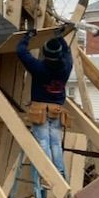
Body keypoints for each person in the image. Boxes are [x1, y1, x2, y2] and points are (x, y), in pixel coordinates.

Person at [16, 27, 73, 176]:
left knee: (43, 142)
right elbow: (68, 52)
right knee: (55, 143)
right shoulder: (66, 67)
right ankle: (59, 172)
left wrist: (28, 36)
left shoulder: (39, 67)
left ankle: (47, 173)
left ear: (45, 54)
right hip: (57, 110)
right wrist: (59, 36)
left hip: (40, 110)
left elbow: (21, 51)